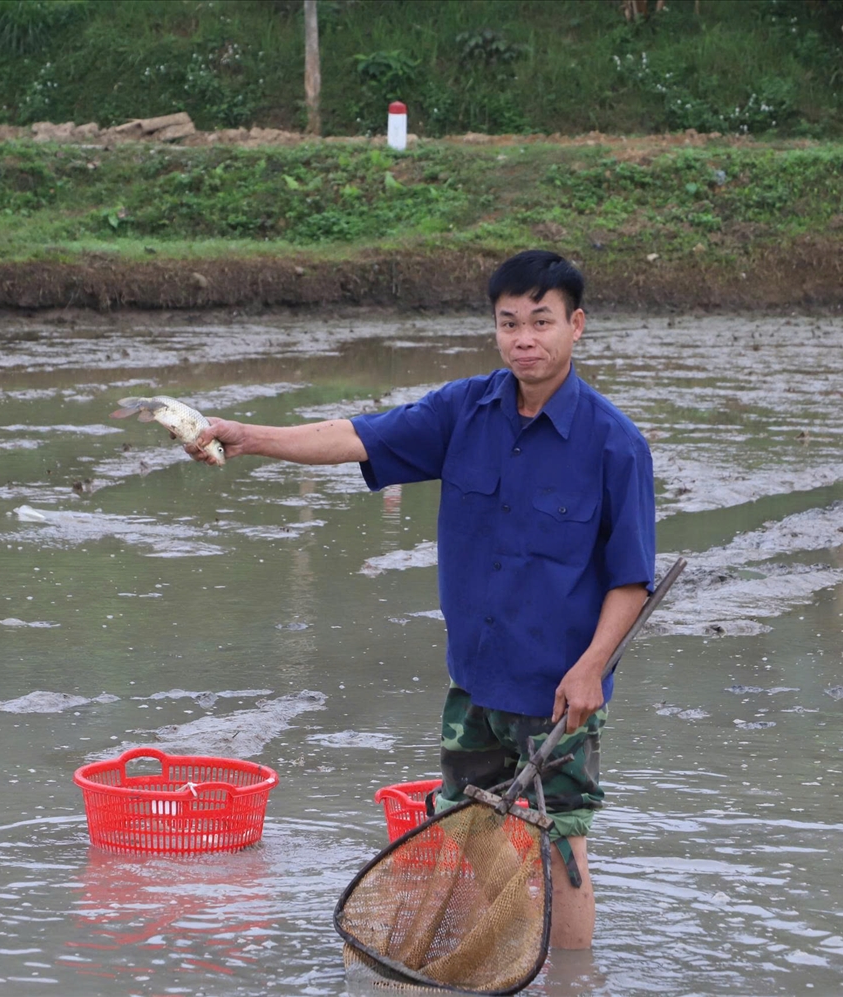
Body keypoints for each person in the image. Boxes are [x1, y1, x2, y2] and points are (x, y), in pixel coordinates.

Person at [186, 249, 656, 950]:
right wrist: (248, 437)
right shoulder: (464, 411)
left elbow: (631, 580)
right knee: (473, 840)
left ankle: (569, 982)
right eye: (509, 322)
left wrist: (590, 668)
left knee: (562, 852)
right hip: (474, 683)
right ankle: (489, 960)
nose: (525, 338)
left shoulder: (615, 444)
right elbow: (355, 435)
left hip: (558, 692)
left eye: (541, 321)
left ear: (576, 325)